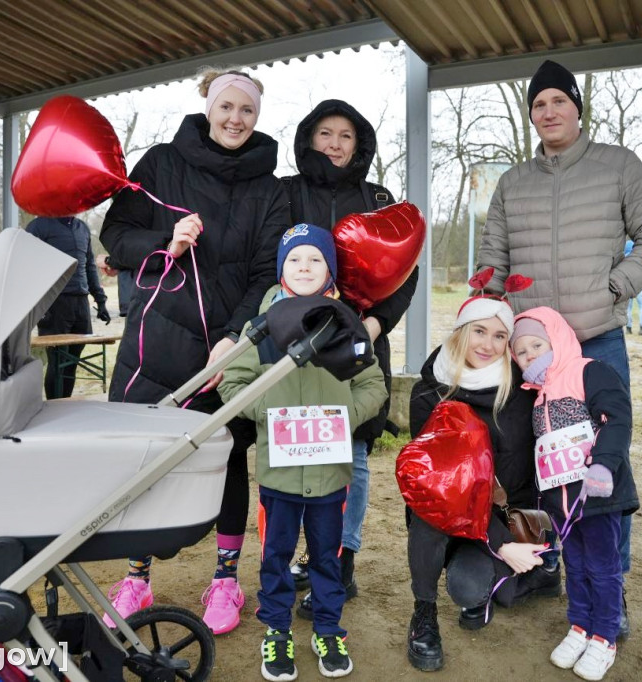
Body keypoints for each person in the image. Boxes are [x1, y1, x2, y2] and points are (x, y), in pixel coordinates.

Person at [476, 58, 642, 639]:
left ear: (576, 107)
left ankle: (611, 584)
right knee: (538, 462)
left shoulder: (618, 165)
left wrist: (614, 287)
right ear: (531, 115)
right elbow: (493, 262)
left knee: (603, 465)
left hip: (595, 342)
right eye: (538, 105)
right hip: (531, 352)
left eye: (558, 101)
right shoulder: (514, 182)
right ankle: (546, 566)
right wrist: (490, 319)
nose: (548, 112)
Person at [98, 68, 290, 634]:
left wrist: (236, 337)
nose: (235, 119)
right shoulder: (161, 162)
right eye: (227, 106)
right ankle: (136, 576)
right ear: (209, 104)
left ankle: (226, 579)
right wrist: (166, 240)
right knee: (147, 464)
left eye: (247, 111)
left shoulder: (269, 188)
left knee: (228, 462)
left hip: (228, 351)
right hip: (155, 342)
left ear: (257, 117)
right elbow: (116, 235)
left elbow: (265, 273)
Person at [218, 224, 387, 681]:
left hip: (331, 475)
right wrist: (268, 411)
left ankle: (329, 628)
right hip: (278, 477)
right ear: (281, 269)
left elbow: (372, 384)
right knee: (275, 556)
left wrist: (345, 415)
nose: (305, 267)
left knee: (326, 557)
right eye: (294, 259)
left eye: (315, 259)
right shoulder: (261, 329)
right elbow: (232, 384)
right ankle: (276, 629)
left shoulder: (345, 323)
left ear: (330, 268)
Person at [283, 99, 418, 616]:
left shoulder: (378, 198)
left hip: (359, 344)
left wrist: (376, 322)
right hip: (296, 344)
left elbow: (407, 273)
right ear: (308, 139)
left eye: (346, 135)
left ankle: (340, 561)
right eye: (325, 133)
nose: (335, 144)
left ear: (359, 143)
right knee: (302, 454)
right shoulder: (286, 192)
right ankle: (304, 554)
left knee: (354, 456)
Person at [405, 294, 561, 673]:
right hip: (447, 514)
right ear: (461, 332)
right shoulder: (429, 393)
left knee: (472, 589)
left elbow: (532, 479)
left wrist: (537, 538)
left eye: (499, 336)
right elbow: (439, 490)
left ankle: (534, 575)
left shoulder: (522, 393)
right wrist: (501, 543)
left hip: (505, 512)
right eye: (479, 331)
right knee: (427, 516)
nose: (487, 345)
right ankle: (423, 615)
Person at [510, 307, 637, 682]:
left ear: (557, 340)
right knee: (576, 566)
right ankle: (579, 626)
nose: (531, 355)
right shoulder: (534, 397)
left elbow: (616, 417)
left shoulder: (588, 371)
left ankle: (605, 636)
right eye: (522, 351)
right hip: (561, 506)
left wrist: (603, 465)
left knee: (603, 567)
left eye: (537, 344)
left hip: (597, 497)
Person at [25, 215, 110, 399]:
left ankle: (65, 406)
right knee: (57, 359)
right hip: (54, 303)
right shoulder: (39, 226)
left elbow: (89, 266)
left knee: (72, 359)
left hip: (81, 302)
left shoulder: (82, 228)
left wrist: (100, 301)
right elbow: (26, 264)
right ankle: (54, 410)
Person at [623, 240, 642, 336]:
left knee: (628, 308)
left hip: (627, 286)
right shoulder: (640, 259)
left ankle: (629, 328)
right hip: (640, 285)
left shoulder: (623, 260)